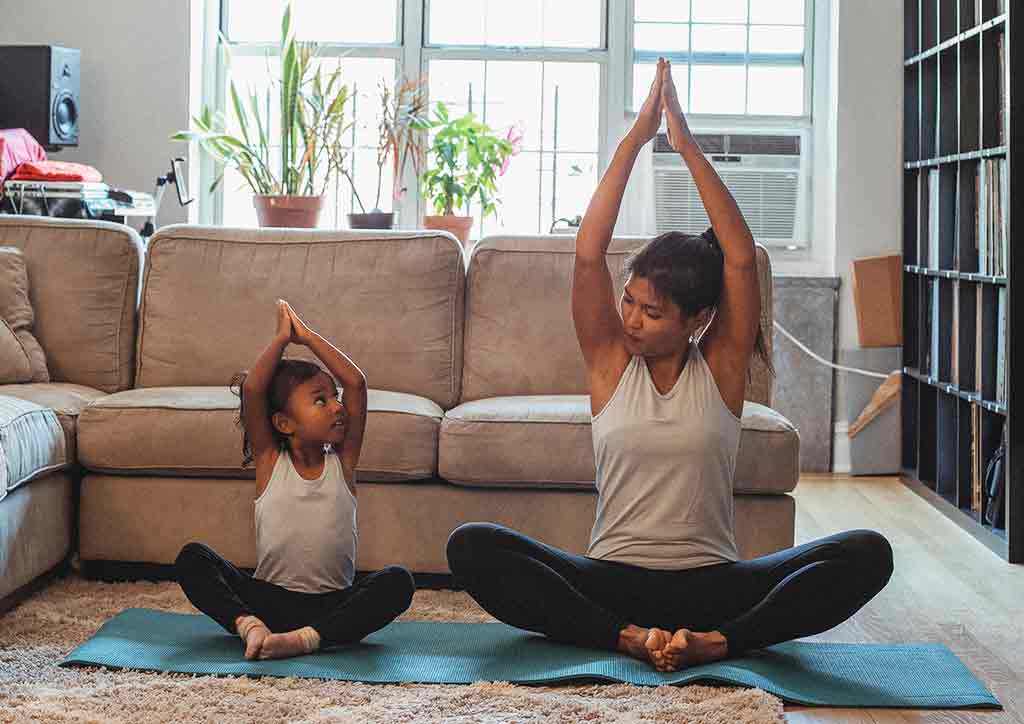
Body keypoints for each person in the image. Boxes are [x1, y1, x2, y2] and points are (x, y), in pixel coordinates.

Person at [446, 58, 893, 672]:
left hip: (713, 586)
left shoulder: (721, 368)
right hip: (610, 580)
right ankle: (625, 637)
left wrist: (685, 146)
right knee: (471, 547)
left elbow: (739, 259)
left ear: (697, 319)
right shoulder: (609, 362)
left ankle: (720, 643)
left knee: (869, 551)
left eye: (650, 313)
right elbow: (586, 255)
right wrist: (635, 139)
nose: (629, 319)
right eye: (628, 301)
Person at [175, 299, 414, 660]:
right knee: (192, 558)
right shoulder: (271, 461)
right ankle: (251, 627)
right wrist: (281, 341)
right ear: (284, 424)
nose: (337, 407)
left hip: (334, 605)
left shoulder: (343, 462)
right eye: (320, 401)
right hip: (269, 601)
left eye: (334, 398)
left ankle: (303, 639)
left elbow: (357, 384)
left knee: (398, 581)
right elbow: (253, 391)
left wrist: (307, 337)